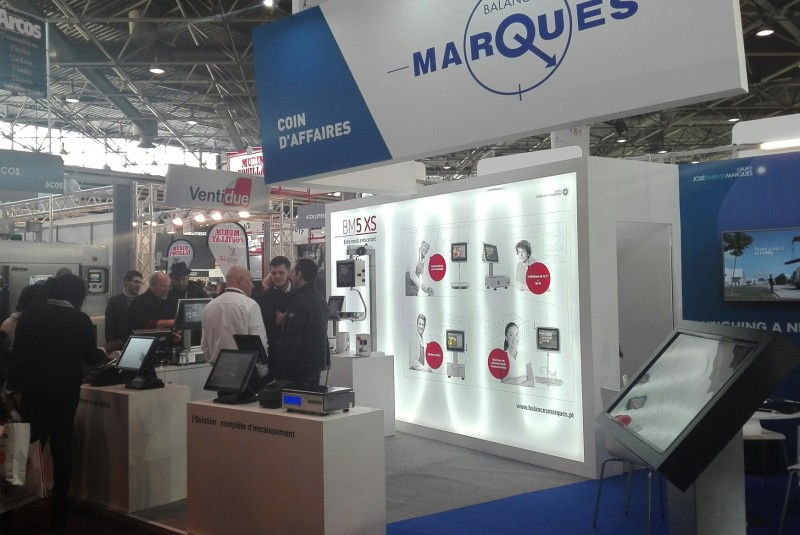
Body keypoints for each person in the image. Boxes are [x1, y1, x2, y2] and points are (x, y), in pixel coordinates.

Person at [8, 274, 116, 531]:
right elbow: (90, 358)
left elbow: (18, 357)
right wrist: (107, 350)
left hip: (32, 393)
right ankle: (59, 513)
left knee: (24, 449)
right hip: (64, 395)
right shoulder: (79, 319)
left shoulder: (30, 317)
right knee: (62, 449)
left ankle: (11, 507)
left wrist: (11, 389)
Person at [201, 266, 267, 381]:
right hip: (245, 372)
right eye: (250, 281)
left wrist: (214, 364)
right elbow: (258, 342)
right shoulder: (250, 305)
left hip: (218, 372)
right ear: (241, 281)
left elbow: (204, 345)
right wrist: (262, 372)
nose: (252, 285)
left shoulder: (210, 306)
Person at [274, 258, 330, 387]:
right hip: (316, 364)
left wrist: (281, 366)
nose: (291, 276)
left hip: (299, 366)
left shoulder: (299, 300)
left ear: (299, 274)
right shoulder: (320, 298)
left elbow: (293, 337)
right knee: (310, 397)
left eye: (293, 272)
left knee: (295, 398)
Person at [254, 256, 293, 383]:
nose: (277, 276)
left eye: (281, 273)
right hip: (272, 356)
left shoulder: (299, 296)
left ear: (289, 273)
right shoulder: (262, 299)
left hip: (296, 357)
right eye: (274, 273)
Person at [104, 270, 144, 345]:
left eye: (141, 282)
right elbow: (109, 327)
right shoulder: (114, 301)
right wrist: (111, 346)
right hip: (119, 344)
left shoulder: (143, 301)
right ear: (126, 281)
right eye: (136, 282)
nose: (139, 285)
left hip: (138, 343)